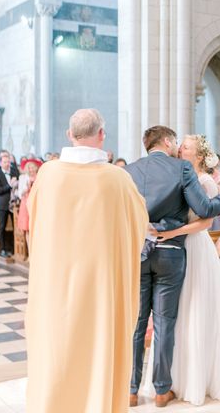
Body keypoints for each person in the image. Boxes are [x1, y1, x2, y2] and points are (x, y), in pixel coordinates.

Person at [26, 109, 148, 413]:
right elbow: (139, 224)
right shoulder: (118, 179)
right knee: (97, 348)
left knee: (58, 349)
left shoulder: (48, 174)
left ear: (70, 135)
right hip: (100, 290)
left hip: (56, 285)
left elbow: (34, 217)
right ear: (102, 135)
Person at [125, 127, 220, 408]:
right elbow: (204, 209)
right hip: (170, 253)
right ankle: (160, 391)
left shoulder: (130, 170)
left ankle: (131, 390)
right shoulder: (181, 168)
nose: (178, 146)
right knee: (165, 323)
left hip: (139, 253)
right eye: (175, 142)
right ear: (168, 142)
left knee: (137, 323)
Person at [0, 154, 18, 258]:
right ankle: (2, 249)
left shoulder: (13, 172)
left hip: (13, 203)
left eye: (8, 162)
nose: (7, 164)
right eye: (5, 162)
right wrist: (10, 185)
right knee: (2, 227)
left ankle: (13, 249)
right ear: (0, 163)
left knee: (14, 227)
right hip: (2, 204)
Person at [17, 158, 42, 245]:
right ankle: (30, 253)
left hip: (37, 204)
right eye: (29, 167)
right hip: (26, 204)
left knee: (37, 229)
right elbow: (19, 194)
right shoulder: (23, 178)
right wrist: (26, 189)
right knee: (27, 228)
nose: (31, 169)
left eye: (32, 167)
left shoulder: (40, 177)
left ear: (36, 168)